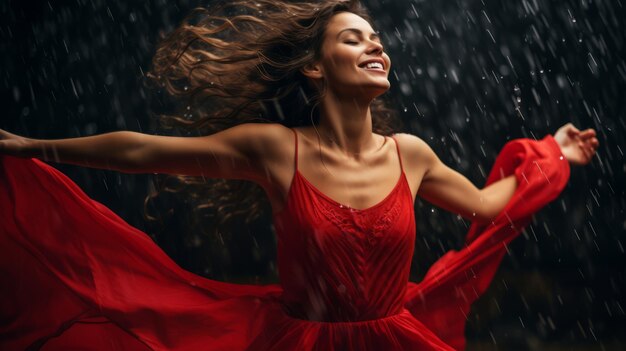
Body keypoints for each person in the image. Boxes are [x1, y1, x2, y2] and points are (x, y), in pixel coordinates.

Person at [0, 0, 599, 350]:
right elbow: (142, 151)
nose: (377, 47)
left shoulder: (409, 154)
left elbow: (486, 206)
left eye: (378, 39)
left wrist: (552, 154)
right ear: (315, 68)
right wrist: (33, 145)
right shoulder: (273, 150)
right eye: (353, 38)